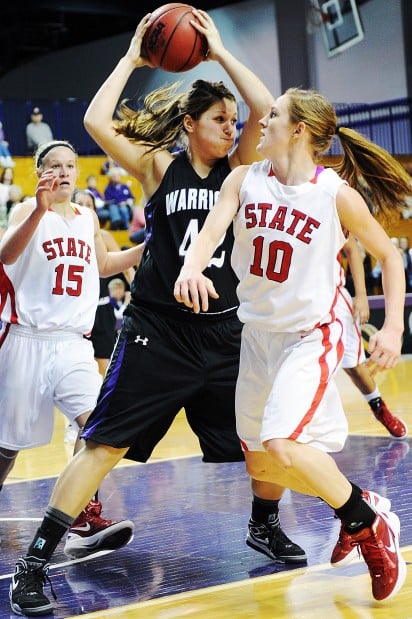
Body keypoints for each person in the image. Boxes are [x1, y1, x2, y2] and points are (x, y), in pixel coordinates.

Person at [9, 11, 304, 617]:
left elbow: (263, 102)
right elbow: (94, 121)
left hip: (225, 329)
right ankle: (33, 563)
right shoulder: (156, 166)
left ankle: (264, 525)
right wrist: (132, 60)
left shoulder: (240, 167)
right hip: (157, 330)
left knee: (263, 440)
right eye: (218, 121)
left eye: (232, 121)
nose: (231, 128)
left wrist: (219, 50)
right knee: (103, 444)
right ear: (190, 125)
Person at [174, 87, 410, 602]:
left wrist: (391, 328)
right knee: (262, 464)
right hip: (257, 337)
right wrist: (191, 266)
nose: (262, 121)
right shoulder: (244, 178)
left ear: (298, 130)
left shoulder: (333, 192)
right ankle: (360, 505)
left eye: (273, 115)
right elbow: (211, 233)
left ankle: (368, 523)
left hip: (311, 335)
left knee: (283, 441)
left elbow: (390, 258)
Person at [1, 140, 148, 615]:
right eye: (54, 166)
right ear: (40, 173)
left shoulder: (88, 218)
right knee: (6, 447)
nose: (64, 172)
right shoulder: (27, 207)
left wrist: (147, 248)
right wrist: (37, 213)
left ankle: (83, 520)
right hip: (26, 339)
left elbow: (103, 266)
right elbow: (5, 256)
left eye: (70, 165)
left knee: (100, 429)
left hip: (73, 344)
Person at [339, 235, 407, 438]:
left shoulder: (330, 205)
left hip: (330, 298)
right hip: (283, 303)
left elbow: (351, 249)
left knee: (355, 367)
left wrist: (361, 294)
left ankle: (379, 407)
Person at [72, 188, 135, 377]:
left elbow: (126, 267)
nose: (84, 208)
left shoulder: (104, 237)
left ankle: (106, 401)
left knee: (105, 362)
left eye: (89, 205)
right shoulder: (63, 234)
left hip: (100, 308)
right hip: (74, 309)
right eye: (80, 204)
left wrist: (139, 293)